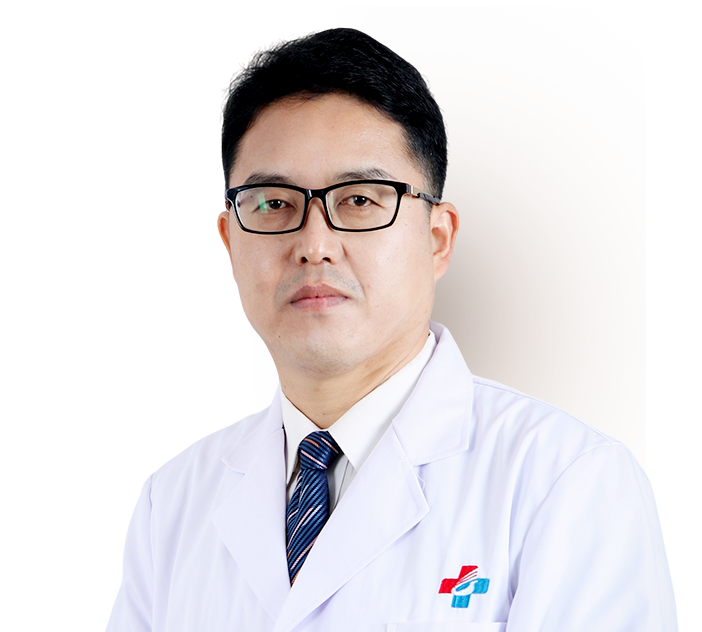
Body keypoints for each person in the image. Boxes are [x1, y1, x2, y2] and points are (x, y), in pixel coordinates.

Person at [108, 27, 676, 631]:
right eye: (274, 203)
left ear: (437, 239)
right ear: (231, 241)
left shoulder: (566, 480)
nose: (314, 245)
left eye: (358, 200)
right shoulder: (173, 503)